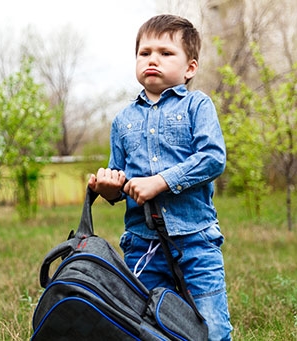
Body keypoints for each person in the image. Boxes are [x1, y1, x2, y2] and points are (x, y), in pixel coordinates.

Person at [88, 14, 233, 340]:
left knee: (211, 327)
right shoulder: (122, 121)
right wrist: (109, 187)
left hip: (196, 242)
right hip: (143, 246)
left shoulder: (198, 105)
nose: (153, 59)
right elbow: (119, 184)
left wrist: (161, 181)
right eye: (144, 53)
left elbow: (212, 158)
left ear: (189, 68)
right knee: (150, 327)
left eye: (166, 53)